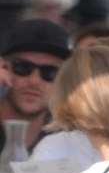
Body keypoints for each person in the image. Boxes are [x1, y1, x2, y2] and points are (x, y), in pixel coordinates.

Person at [0, 18, 71, 162]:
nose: (34, 80)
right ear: (4, 67)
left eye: (49, 72)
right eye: (23, 67)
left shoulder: (68, 138)